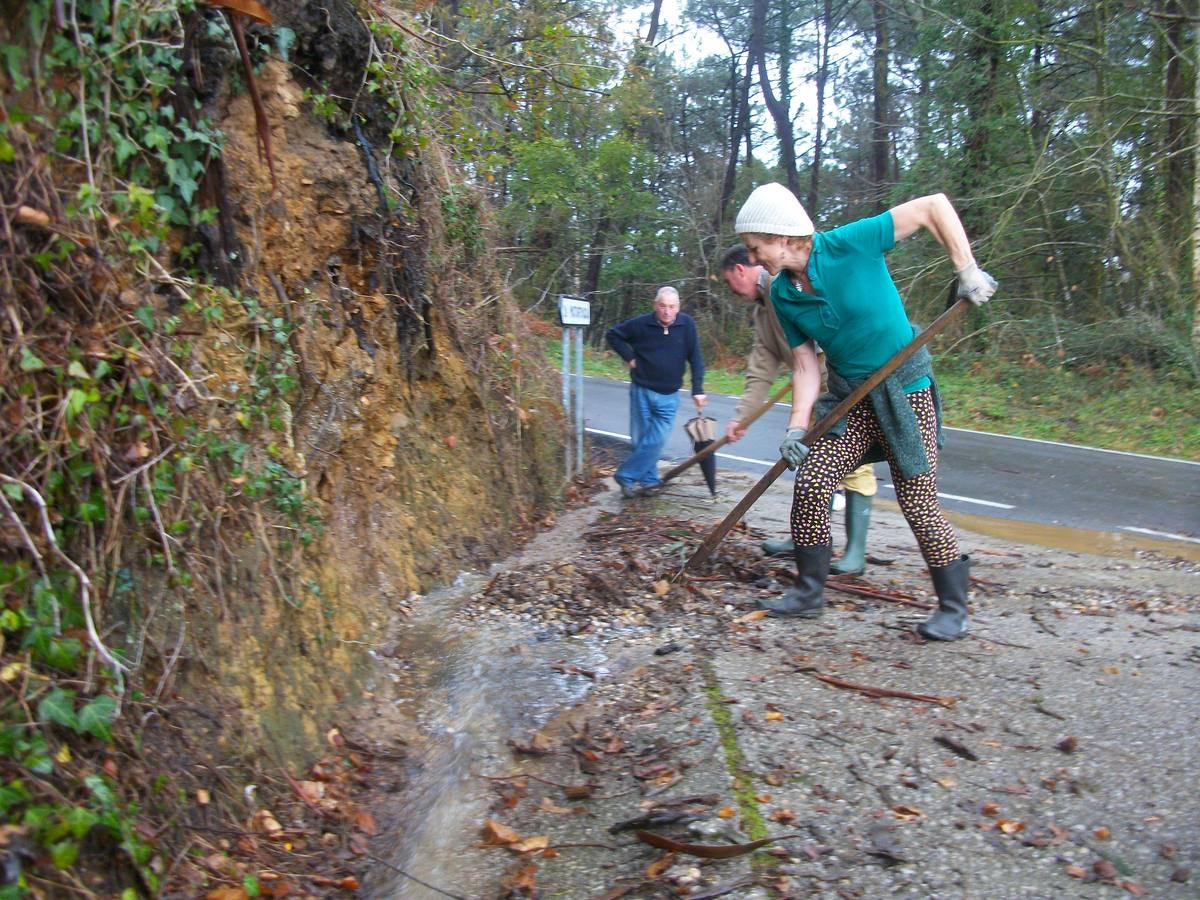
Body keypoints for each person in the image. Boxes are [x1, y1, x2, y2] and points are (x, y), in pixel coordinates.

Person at [733, 182, 997, 640]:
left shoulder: (849, 243)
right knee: (813, 479)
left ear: (780, 237)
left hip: (905, 392)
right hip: (850, 400)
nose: (755, 260)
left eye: (757, 249)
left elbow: (934, 206)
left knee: (917, 500)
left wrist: (966, 268)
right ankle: (808, 593)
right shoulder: (782, 295)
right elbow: (804, 366)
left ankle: (953, 608)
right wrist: (797, 429)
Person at [719, 243, 878, 576]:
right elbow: (761, 369)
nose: (732, 291)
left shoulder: (790, 280)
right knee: (805, 460)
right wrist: (742, 417)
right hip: (809, 391)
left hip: (840, 383)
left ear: (740, 270)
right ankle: (804, 538)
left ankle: (855, 554)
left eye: (730, 283)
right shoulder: (763, 312)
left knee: (853, 463)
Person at [606, 286, 707, 498]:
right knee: (641, 440)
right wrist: (630, 357)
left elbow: (696, 358)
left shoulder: (686, 325)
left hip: (669, 395)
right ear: (655, 306)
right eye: (662, 306)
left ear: (678, 307)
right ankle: (650, 481)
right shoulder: (641, 324)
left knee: (657, 440)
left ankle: (626, 475)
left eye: (672, 307)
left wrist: (698, 389)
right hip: (641, 390)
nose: (667, 311)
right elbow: (613, 335)